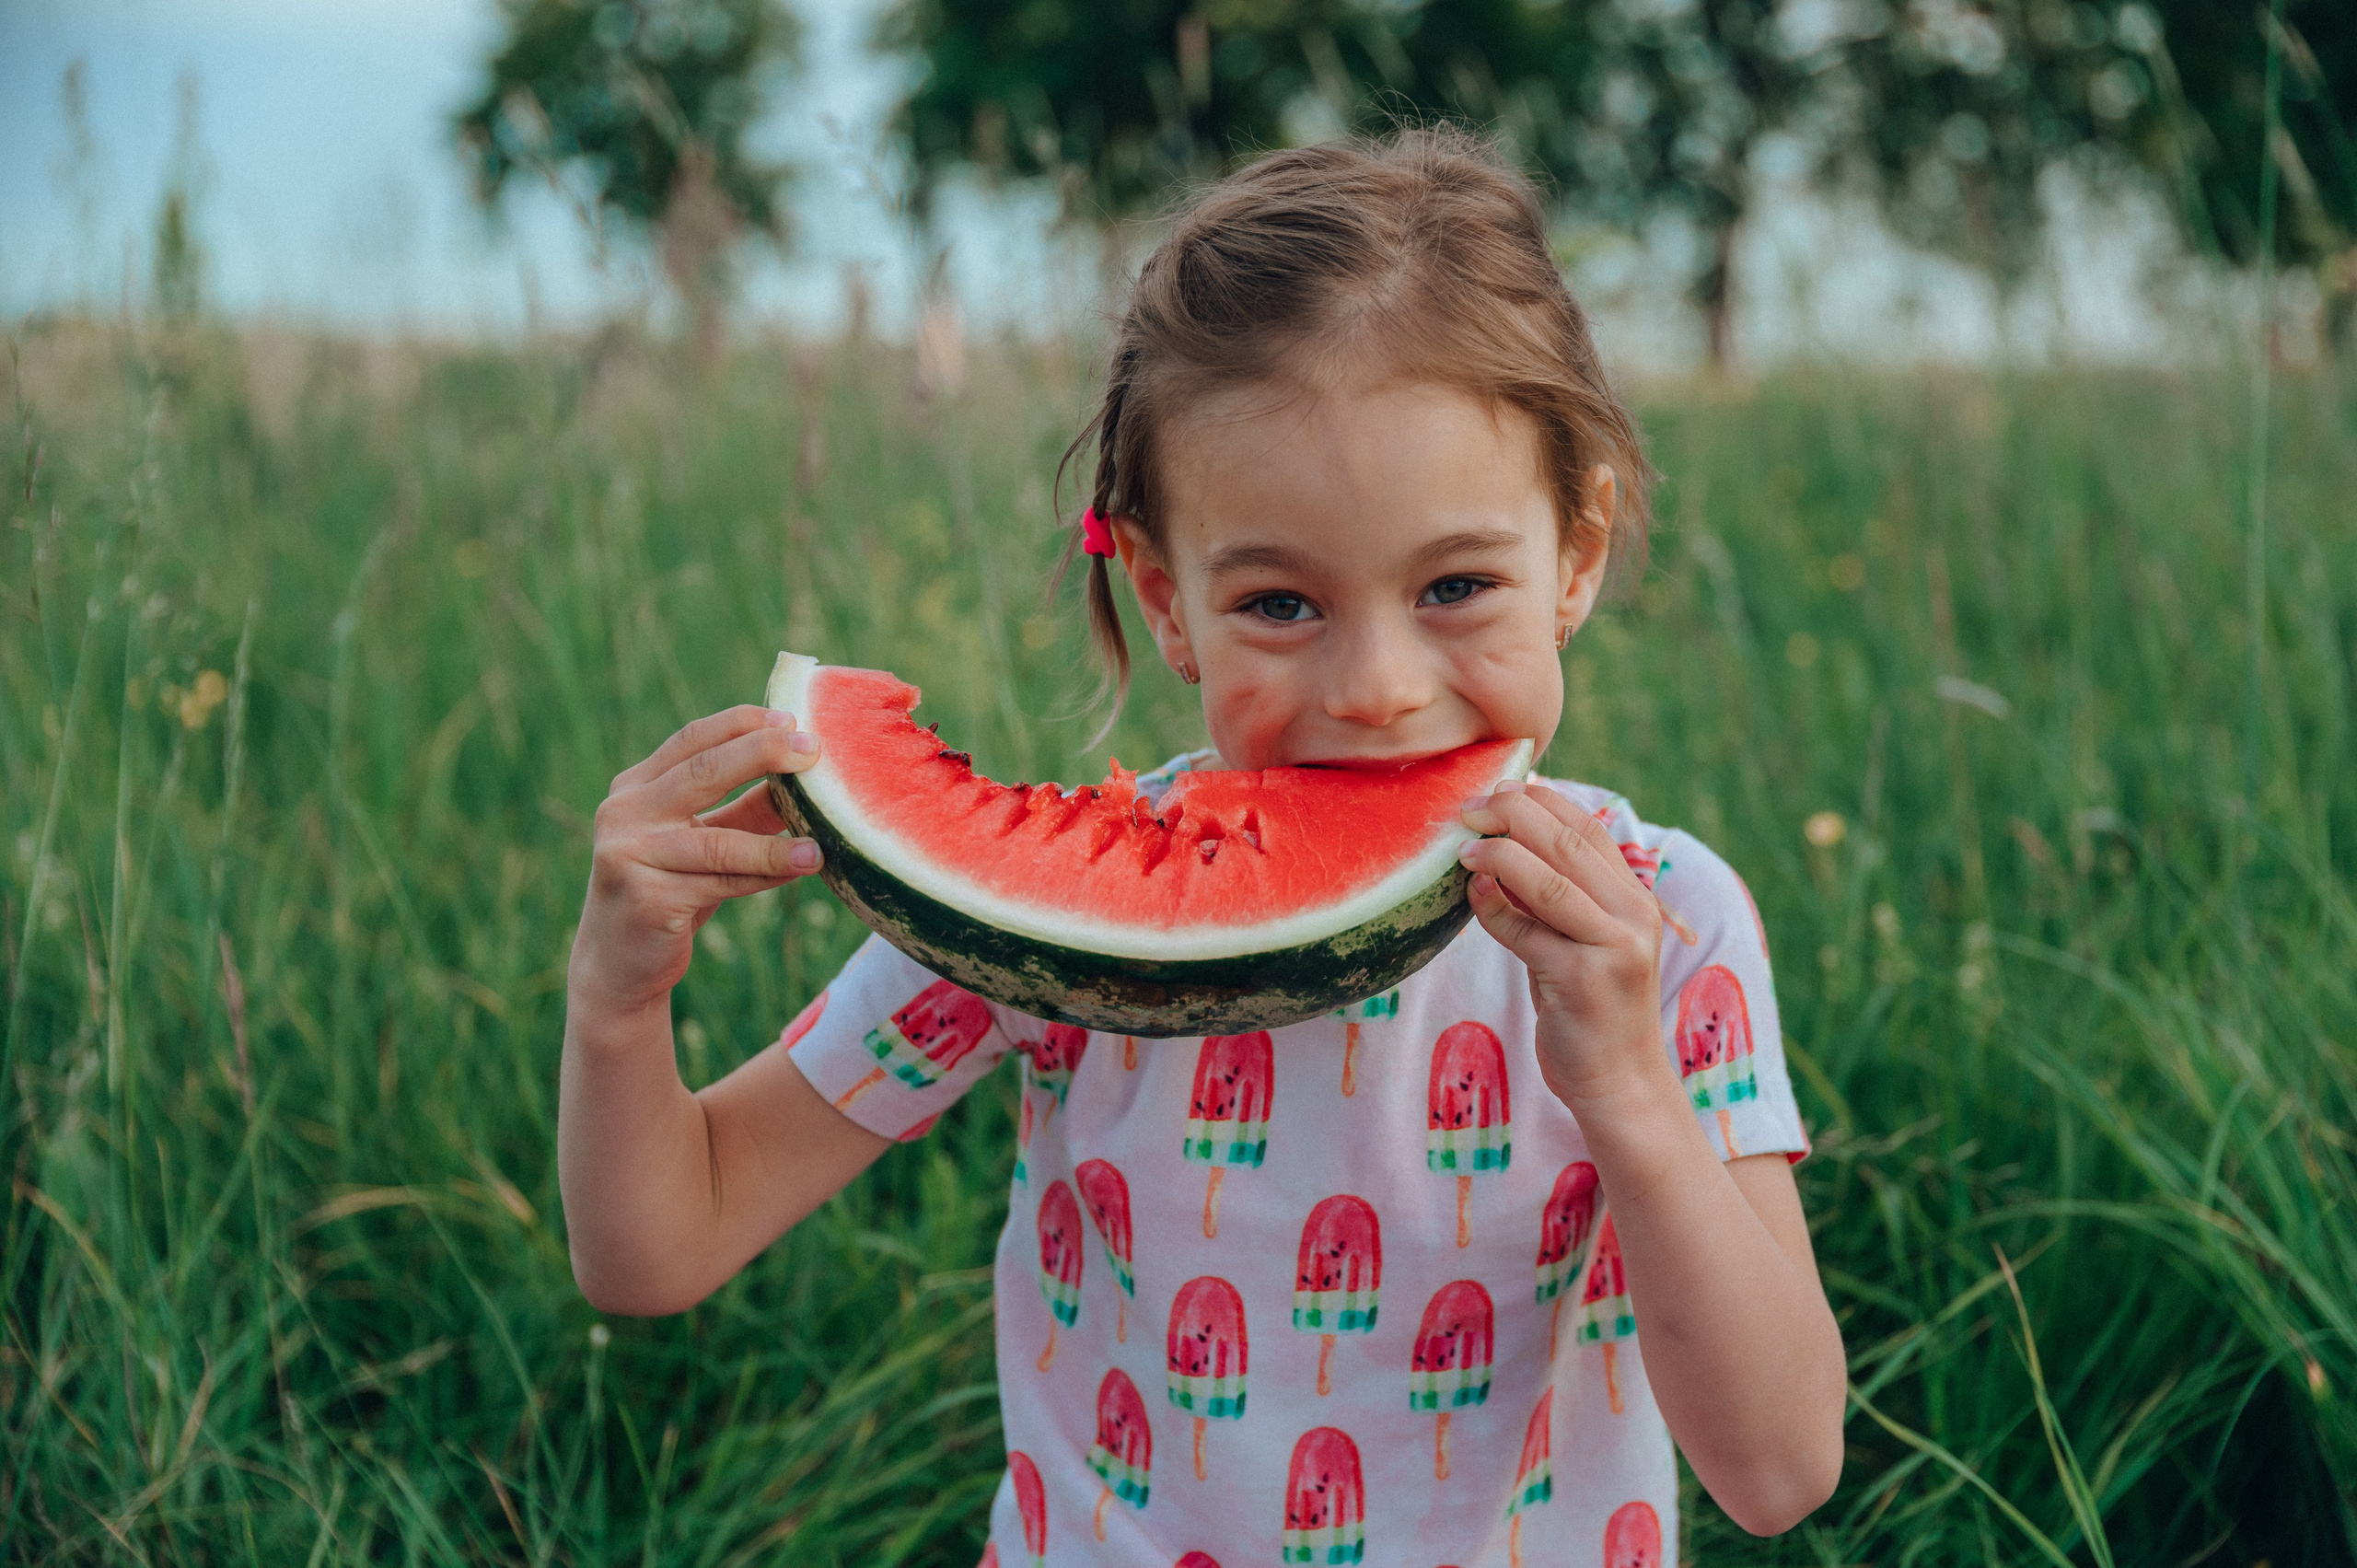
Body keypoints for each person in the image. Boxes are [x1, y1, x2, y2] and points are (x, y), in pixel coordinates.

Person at [560, 128, 1846, 1566]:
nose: (1375, 687)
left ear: (1580, 555)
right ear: (1168, 602)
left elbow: (1779, 1467)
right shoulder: (1051, 939)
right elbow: (661, 1249)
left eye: (1458, 585)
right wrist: (619, 1005)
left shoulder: (1671, 924)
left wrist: (1625, 1084)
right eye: (1280, 605)